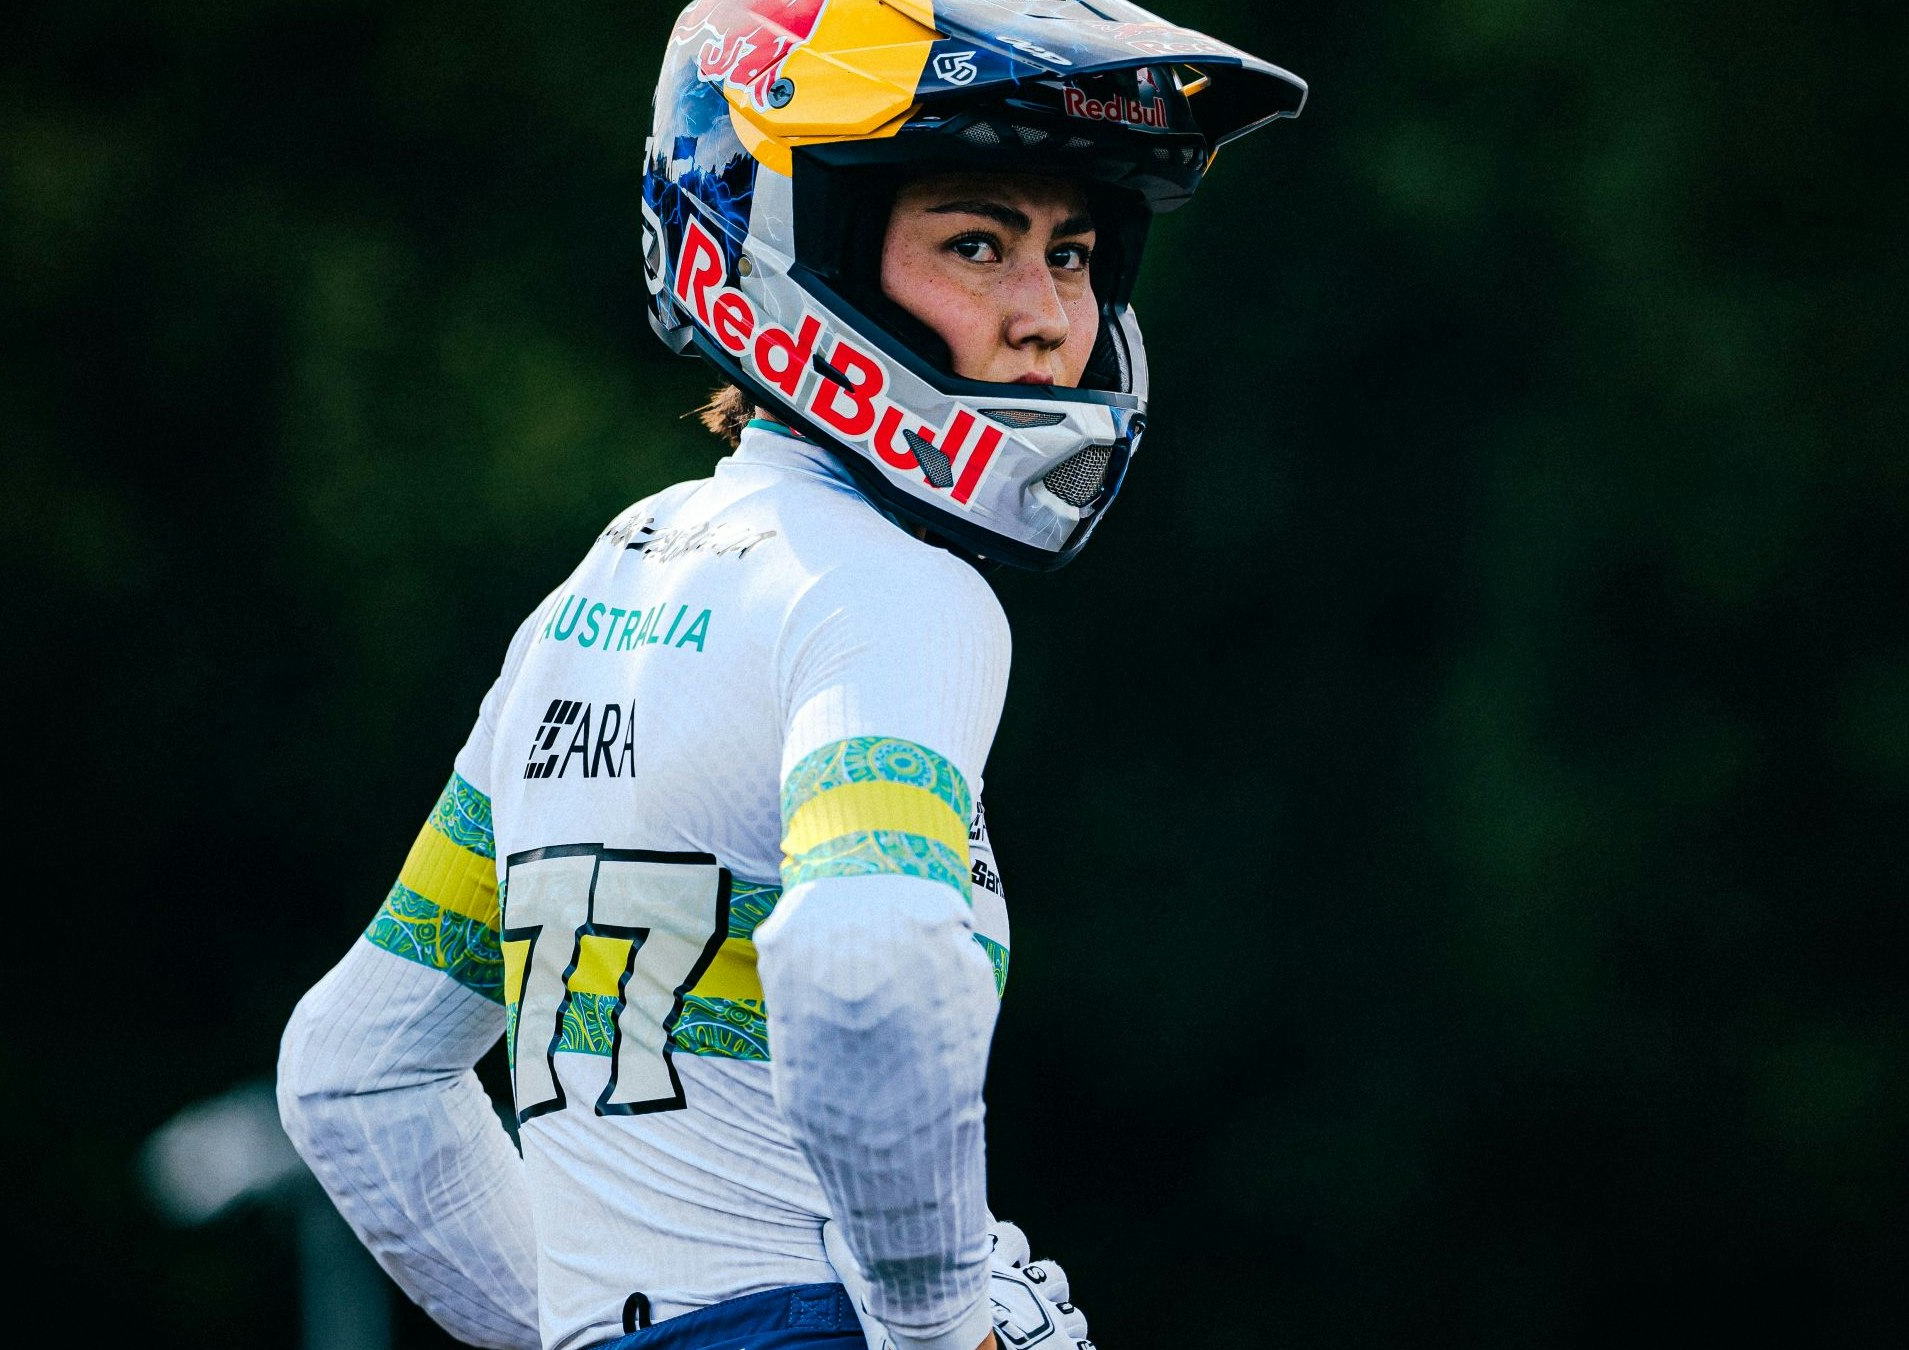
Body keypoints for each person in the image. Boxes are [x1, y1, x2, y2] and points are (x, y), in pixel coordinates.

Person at [276, 4, 1304, 1349]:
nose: (1051, 317)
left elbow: (355, 1075)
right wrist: (946, 1333)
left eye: (1075, 252)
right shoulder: (889, 589)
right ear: (790, 246)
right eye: (977, 243)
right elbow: (864, 964)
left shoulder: (604, 588)